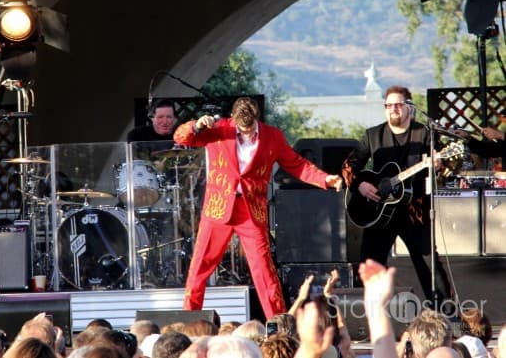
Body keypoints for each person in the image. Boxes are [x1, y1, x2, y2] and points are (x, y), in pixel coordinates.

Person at [173, 96, 343, 319]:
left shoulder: (272, 136)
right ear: (233, 119)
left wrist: (325, 179)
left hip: (251, 210)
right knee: (200, 267)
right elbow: (180, 137)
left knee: (264, 271)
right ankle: (188, 319)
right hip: (218, 207)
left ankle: (279, 324)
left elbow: (296, 163)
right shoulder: (218, 128)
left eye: (250, 128)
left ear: (257, 120)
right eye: (242, 129)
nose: (246, 133)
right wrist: (196, 125)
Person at [341, 85, 452, 306]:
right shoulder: (373, 135)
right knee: (370, 264)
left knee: (430, 266)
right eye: (389, 105)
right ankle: (367, 315)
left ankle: (446, 313)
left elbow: (446, 169)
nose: (393, 109)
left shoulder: (425, 134)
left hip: (414, 211)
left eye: (399, 104)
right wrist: (360, 185)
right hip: (379, 212)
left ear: (409, 108)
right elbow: (348, 166)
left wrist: (439, 164)